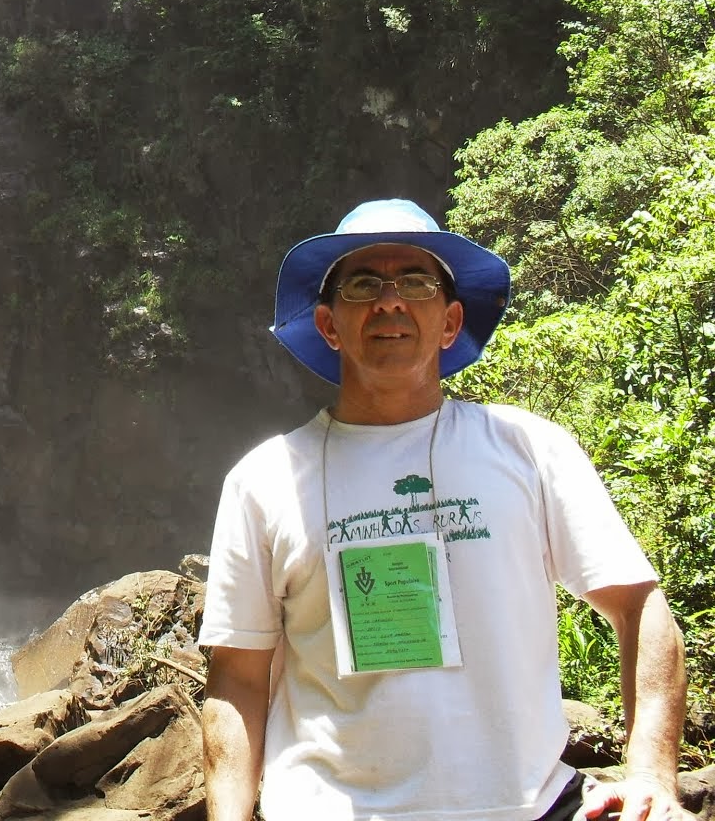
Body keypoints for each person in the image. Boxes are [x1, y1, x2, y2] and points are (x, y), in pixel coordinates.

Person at [199, 199, 689, 821]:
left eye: (415, 281)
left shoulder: (528, 449)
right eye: (363, 283)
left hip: (529, 806)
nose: (389, 301)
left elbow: (640, 608)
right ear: (328, 324)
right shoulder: (264, 481)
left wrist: (650, 774)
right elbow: (237, 678)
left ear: (451, 320)